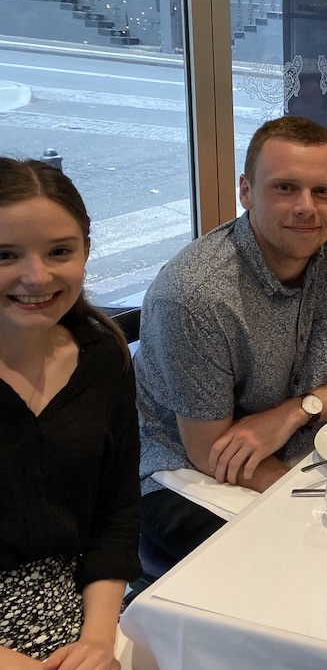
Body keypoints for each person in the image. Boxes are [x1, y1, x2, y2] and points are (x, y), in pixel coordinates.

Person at [136, 116, 327, 562]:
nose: (306, 206)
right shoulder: (196, 295)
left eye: (322, 191)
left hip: (301, 441)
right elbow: (211, 450)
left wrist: (297, 411)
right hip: (190, 476)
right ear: (246, 191)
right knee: (315, 559)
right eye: (285, 187)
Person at [0, 158, 139, 669]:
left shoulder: (102, 354)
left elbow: (116, 512)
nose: (37, 277)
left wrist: (99, 639)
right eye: (4, 255)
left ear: (85, 249)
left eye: (60, 251)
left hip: (72, 602)